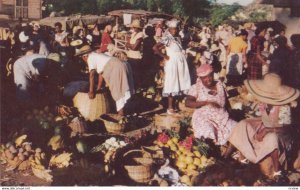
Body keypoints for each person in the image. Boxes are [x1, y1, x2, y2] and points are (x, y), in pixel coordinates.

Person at [228, 73, 299, 181]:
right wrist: (260, 127)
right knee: (243, 124)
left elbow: (284, 129)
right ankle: (241, 157)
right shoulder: (264, 104)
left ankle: (276, 171)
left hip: (280, 139)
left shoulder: (284, 108)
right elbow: (264, 120)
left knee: (271, 138)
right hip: (265, 131)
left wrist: (267, 130)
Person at [185, 64, 236, 145]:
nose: (208, 79)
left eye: (210, 76)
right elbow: (187, 103)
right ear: (200, 78)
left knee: (236, 129)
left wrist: (231, 114)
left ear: (213, 75)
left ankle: (226, 155)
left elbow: (226, 102)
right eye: (204, 77)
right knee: (208, 132)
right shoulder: (196, 87)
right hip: (204, 117)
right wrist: (206, 102)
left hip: (222, 117)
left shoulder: (220, 85)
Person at [76, 45, 134, 116]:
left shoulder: (90, 58)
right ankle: (126, 109)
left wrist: (91, 91)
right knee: (122, 88)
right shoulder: (98, 55)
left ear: (84, 56)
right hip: (123, 64)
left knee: (117, 90)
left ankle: (121, 114)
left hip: (116, 67)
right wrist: (99, 87)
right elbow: (101, 73)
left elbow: (92, 75)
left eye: (82, 58)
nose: (84, 60)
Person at [153, 20, 191, 114]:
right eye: (173, 29)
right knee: (172, 82)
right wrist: (164, 56)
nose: (175, 30)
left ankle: (177, 104)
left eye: (176, 29)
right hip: (172, 62)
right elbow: (155, 48)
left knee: (180, 81)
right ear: (169, 29)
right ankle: (170, 107)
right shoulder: (167, 38)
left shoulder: (177, 38)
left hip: (180, 62)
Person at [126, 19, 144, 88]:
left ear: (138, 27)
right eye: (133, 27)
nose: (133, 28)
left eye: (134, 27)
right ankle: (133, 87)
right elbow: (128, 44)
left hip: (136, 57)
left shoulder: (140, 34)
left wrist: (129, 45)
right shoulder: (133, 34)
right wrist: (130, 45)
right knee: (131, 73)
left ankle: (138, 87)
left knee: (136, 73)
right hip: (130, 55)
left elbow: (135, 47)